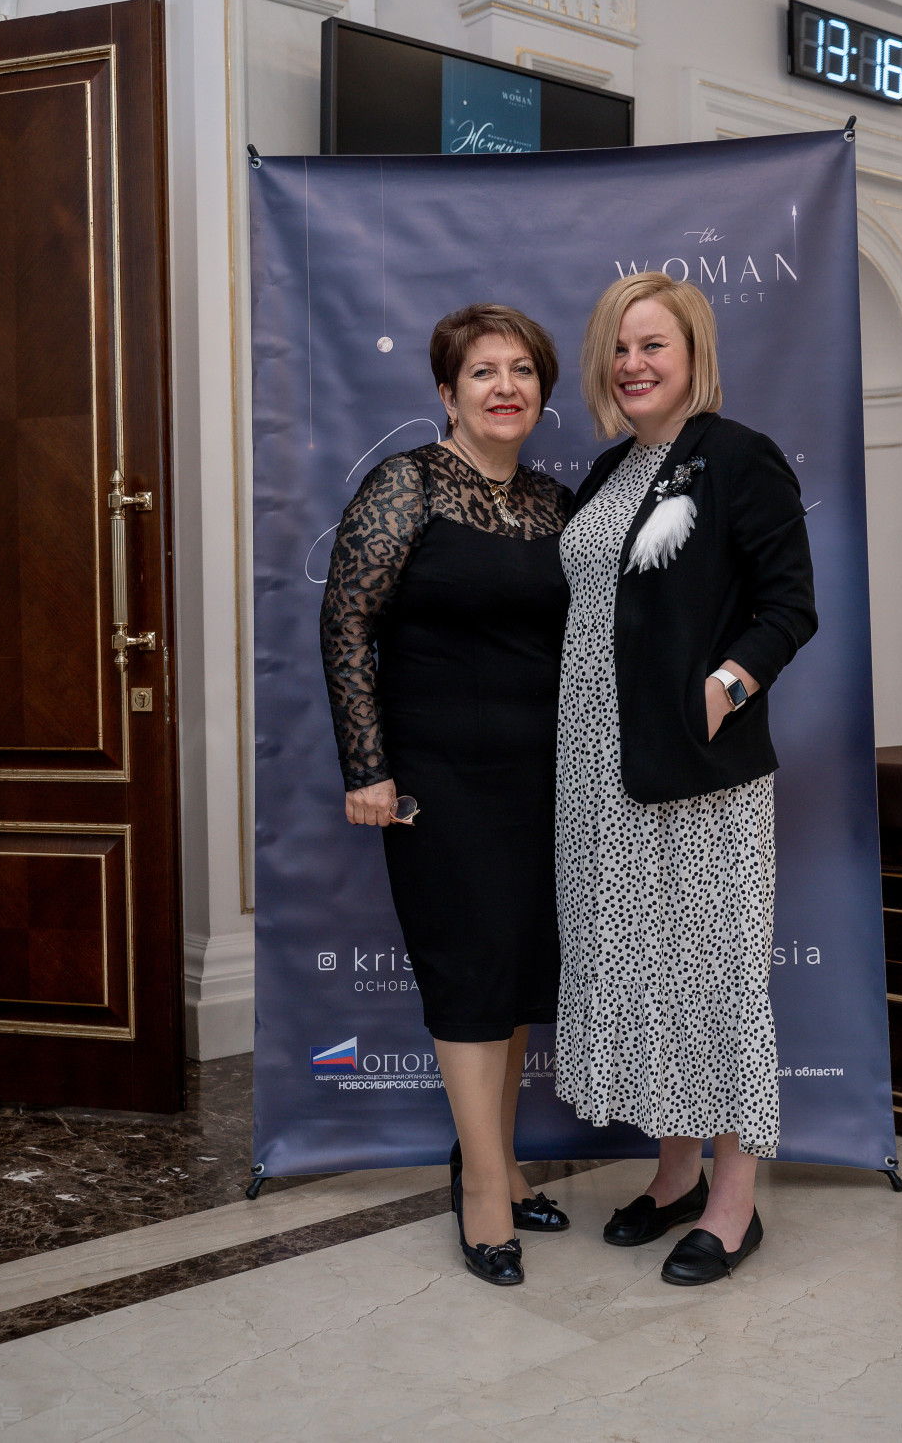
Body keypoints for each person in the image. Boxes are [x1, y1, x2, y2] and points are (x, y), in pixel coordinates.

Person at [555, 271, 817, 1286]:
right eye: (619, 348)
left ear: (694, 353)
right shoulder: (610, 469)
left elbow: (790, 606)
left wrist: (723, 687)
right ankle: (673, 1176)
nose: (633, 364)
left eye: (652, 345)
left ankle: (734, 1204)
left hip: (698, 773)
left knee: (714, 977)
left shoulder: (739, 457)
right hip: (596, 772)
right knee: (644, 974)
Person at [320, 303, 573, 1288]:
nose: (505, 386)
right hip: (438, 780)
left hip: (545, 778)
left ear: (541, 391)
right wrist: (367, 768)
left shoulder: (556, 503)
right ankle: (483, 1199)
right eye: (482, 372)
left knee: (513, 974)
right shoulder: (408, 484)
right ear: (447, 393)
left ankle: (494, 1161)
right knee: (469, 973)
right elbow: (347, 623)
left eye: (522, 371)